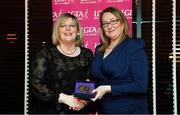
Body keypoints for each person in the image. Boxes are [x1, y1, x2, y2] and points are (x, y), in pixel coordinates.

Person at [30, 13, 93, 114]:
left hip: (78, 111)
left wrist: (82, 101)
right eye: (63, 26)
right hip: (50, 110)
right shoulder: (45, 53)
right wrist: (65, 99)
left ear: (77, 32)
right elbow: (36, 84)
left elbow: (88, 80)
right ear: (57, 31)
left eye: (72, 25)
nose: (67, 29)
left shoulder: (87, 54)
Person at [90, 7, 149, 114]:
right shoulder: (99, 49)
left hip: (130, 110)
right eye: (105, 23)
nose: (109, 26)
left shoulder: (134, 46)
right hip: (104, 110)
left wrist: (108, 88)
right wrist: (83, 92)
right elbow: (97, 79)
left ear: (122, 23)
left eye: (113, 21)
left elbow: (141, 86)